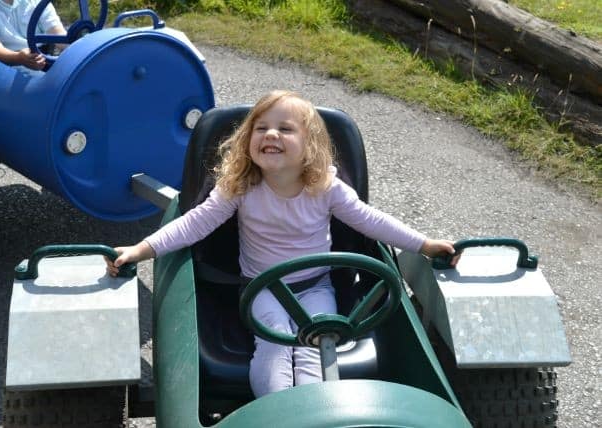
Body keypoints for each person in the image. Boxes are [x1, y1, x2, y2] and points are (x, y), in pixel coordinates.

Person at [106, 90, 457, 398]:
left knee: (318, 347)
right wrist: (141, 249)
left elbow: (370, 220)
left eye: (286, 129)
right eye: (261, 128)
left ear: (310, 146)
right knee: (274, 346)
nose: (271, 134)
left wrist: (424, 244)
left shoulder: (326, 188)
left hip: (316, 287)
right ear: (247, 140)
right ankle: (277, 412)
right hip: (262, 289)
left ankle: (313, 410)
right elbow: (194, 223)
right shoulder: (239, 186)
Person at [0, 0, 66, 71]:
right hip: (2, 67)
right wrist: (19, 58)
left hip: (40, 58)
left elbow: (59, 36)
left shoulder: (37, 2)